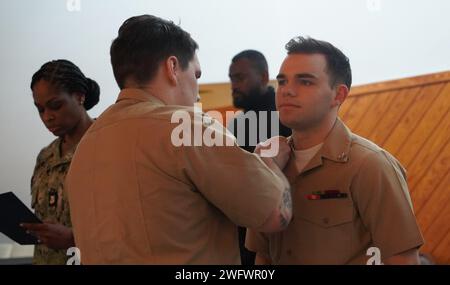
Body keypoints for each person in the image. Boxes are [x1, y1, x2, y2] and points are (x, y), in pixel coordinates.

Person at [65, 14, 292, 265]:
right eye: (196, 75)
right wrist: (269, 164)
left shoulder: (85, 147)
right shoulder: (185, 127)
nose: (197, 90)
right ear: (172, 68)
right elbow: (273, 214)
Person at [246, 36, 424, 265]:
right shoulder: (267, 163)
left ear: (338, 95)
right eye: (282, 82)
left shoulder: (370, 165)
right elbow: (262, 255)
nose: (287, 91)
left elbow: (403, 259)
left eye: (305, 82)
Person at [21, 59, 100, 264]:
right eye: (40, 109)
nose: (47, 117)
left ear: (80, 97)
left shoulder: (107, 146)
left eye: (55, 106)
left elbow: (131, 224)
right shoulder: (45, 156)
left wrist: (74, 238)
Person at [227, 50, 291, 265]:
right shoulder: (235, 125)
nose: (234, 85)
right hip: (245, 237)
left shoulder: (287, 117)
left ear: (263, 77)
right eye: (231, 78)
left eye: (240, 78)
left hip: (287, 235)